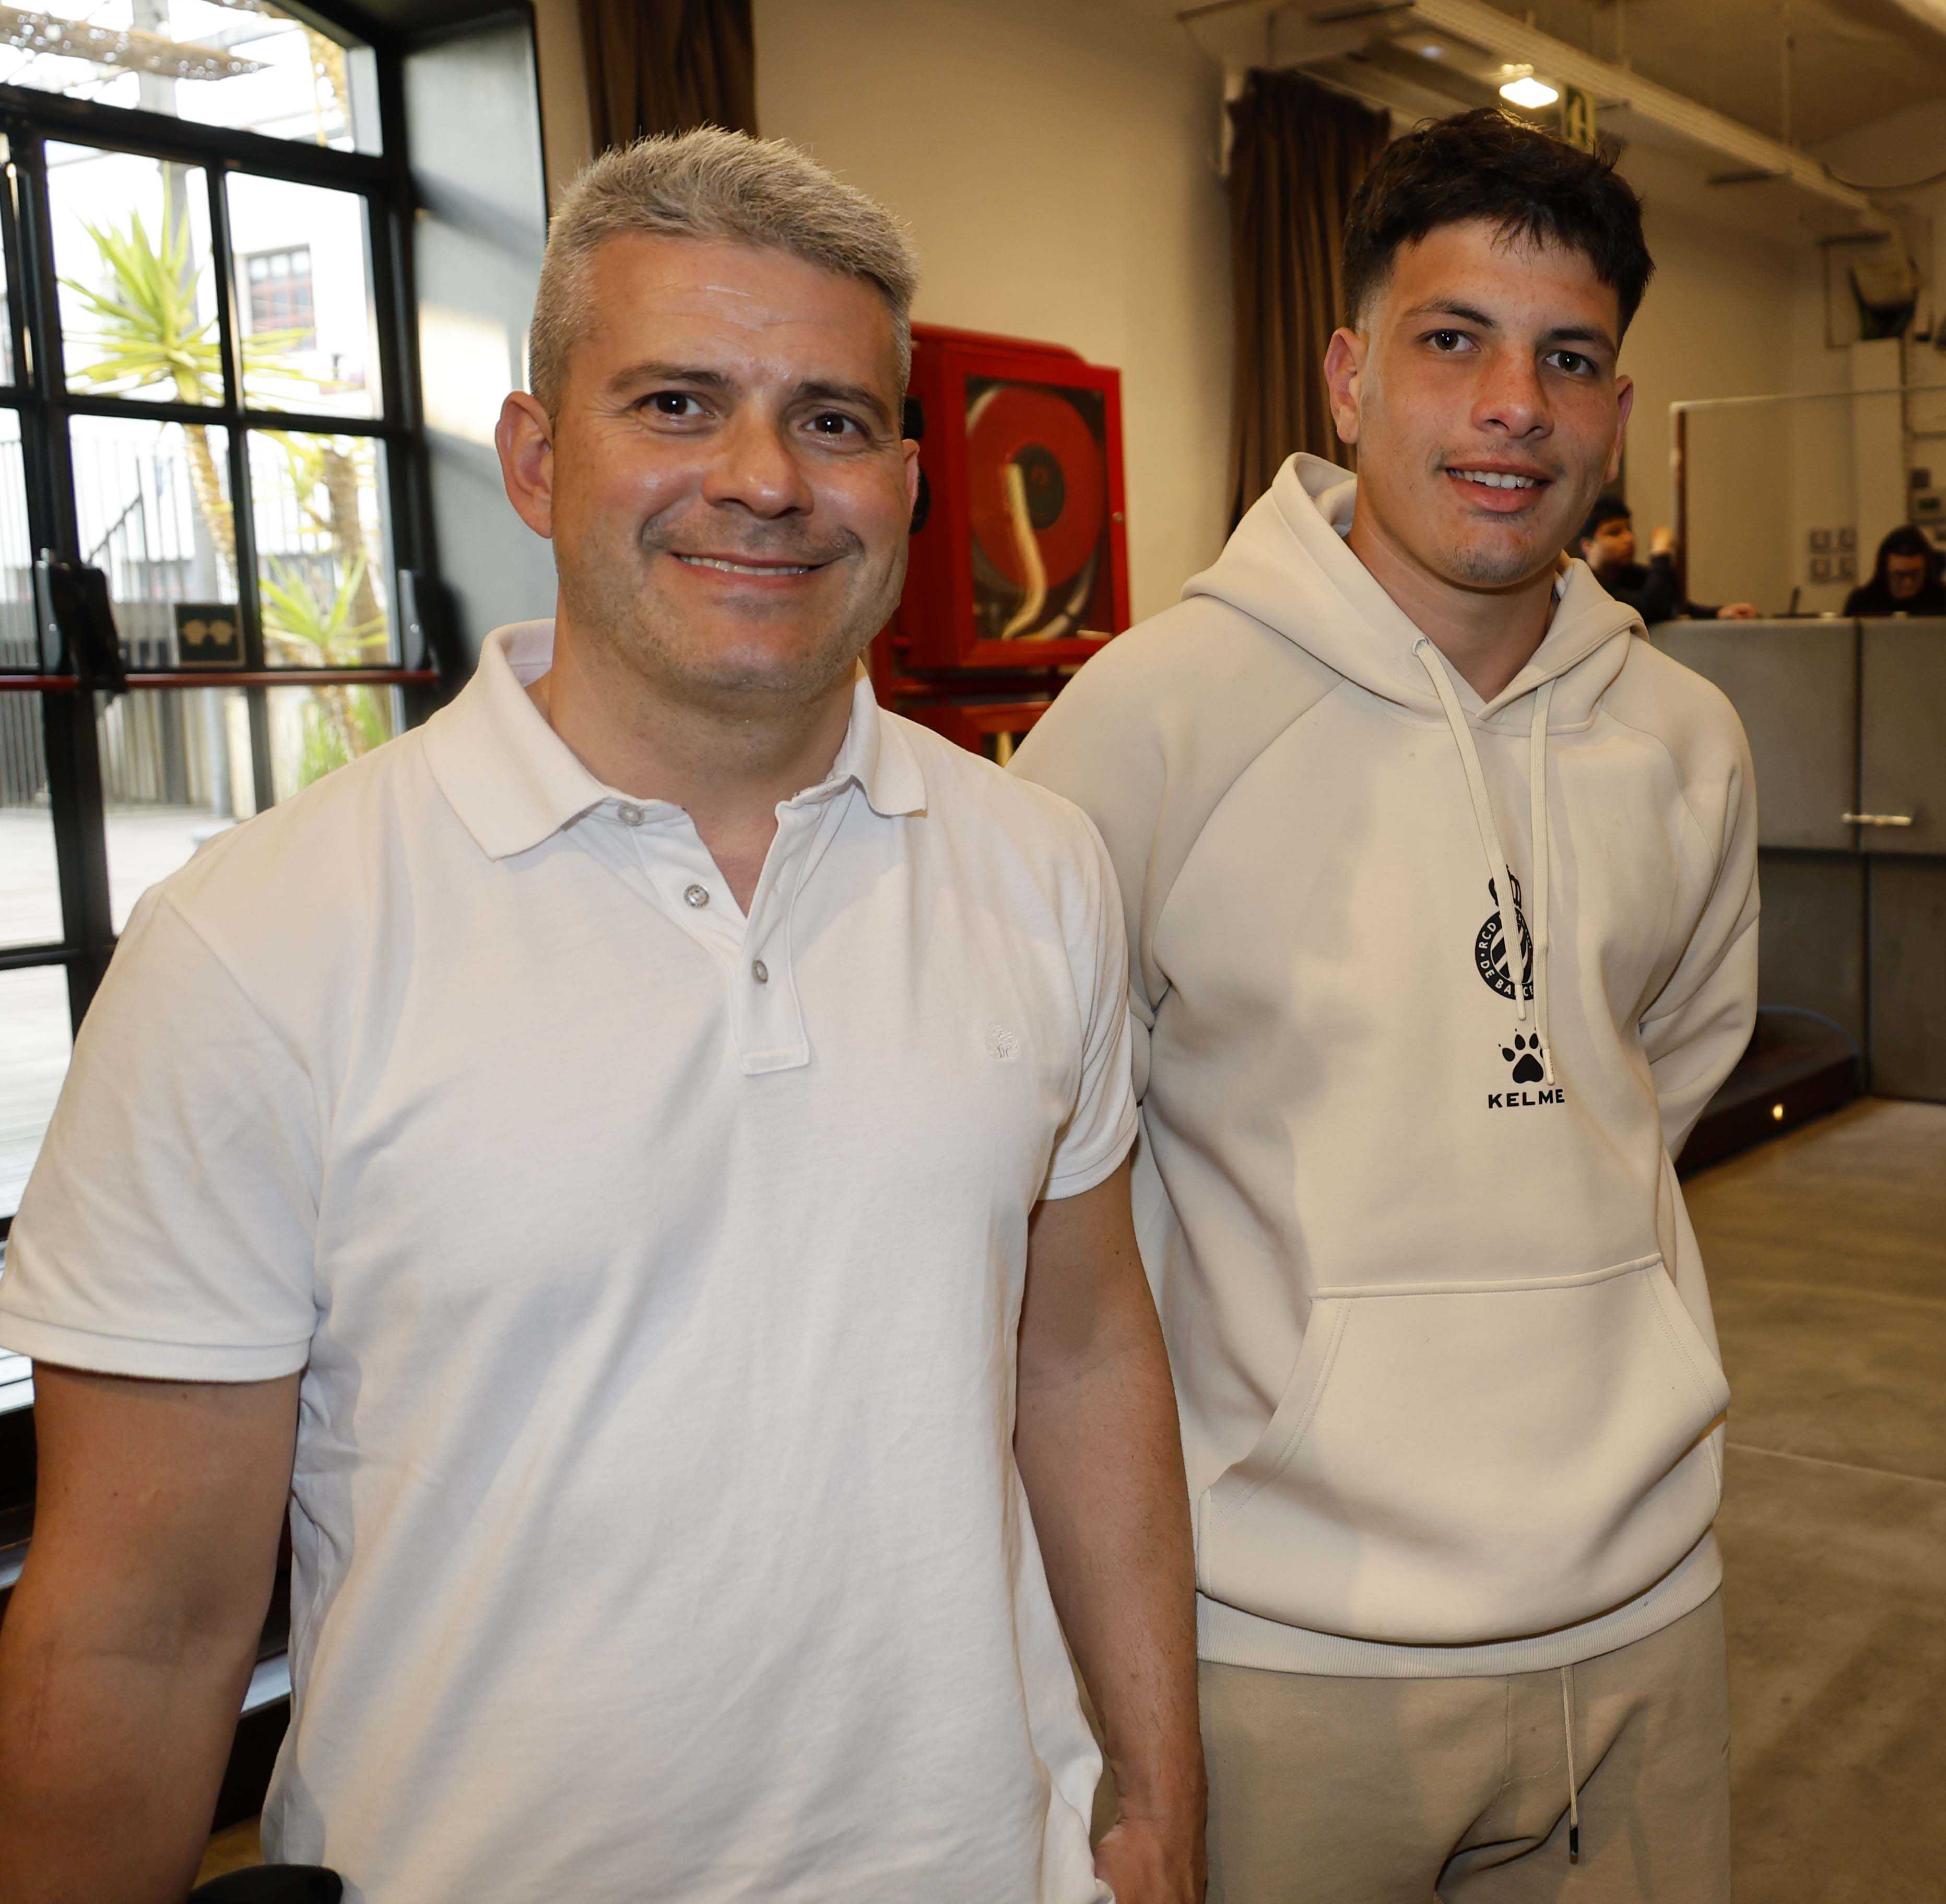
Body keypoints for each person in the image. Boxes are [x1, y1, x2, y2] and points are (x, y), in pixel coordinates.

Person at [0, 132, 1204, 1904]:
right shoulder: (258, 946)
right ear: (536, 459)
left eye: (831, 420)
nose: (763, 480)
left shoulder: (1040, 870)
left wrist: (1159, 1798)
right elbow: (139, 1627)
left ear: (905, 480)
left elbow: (1083, 1352)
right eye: (675, 403)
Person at [1021, 108, 1758, 1902]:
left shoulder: (1684, 737)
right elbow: (1047, 1170)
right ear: (1349, 377)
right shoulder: (1151, 720)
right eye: (1453, 341)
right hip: (1281, 1641)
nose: (1513, 406)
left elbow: (1662, 1072)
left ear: (1615, 410)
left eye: (1566, 359)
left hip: (1645, 1610)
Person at [1577, 496, 1758, 624]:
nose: (1629, 538)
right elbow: (1651, 609)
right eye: (1615, 533)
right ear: (1588, 545)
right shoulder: (1584, 585)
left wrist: (1718, 613)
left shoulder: (1631, 575)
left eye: (1628, 529)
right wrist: (1660, 555)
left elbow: (1671, 602)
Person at [1842, 523, 1946, 616]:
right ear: (1885, 572)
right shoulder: (1862, 603)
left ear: (1927, 570)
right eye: (1899, 575)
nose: (1908, 583)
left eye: (1915, 574)